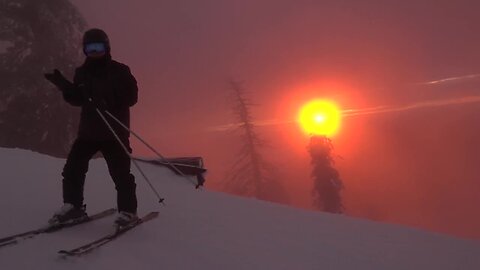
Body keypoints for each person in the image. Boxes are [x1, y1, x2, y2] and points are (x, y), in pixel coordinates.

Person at [44, 28, 138, 226]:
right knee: (72, 169)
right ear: (85, 50)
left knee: (121, 174)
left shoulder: (120, 70)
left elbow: (132, 97)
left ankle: (128, 212)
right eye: (90, 48)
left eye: (98, 47)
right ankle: (73, 207)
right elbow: (78, 99)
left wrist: (109, 100)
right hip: (89, 132)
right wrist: (63, 85)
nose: (94, 51)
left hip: (114, 132)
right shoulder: (82, 72)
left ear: (107, 47)